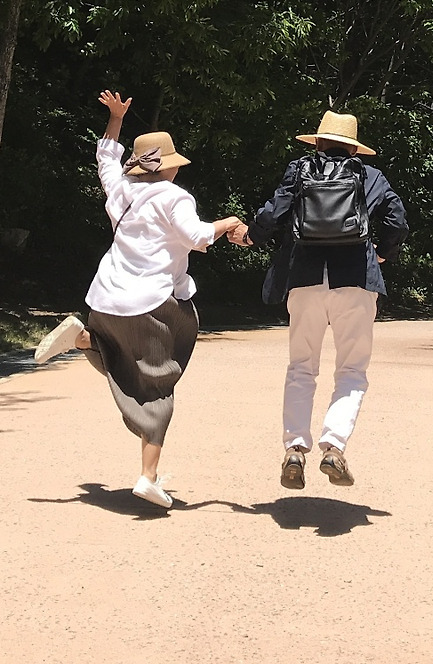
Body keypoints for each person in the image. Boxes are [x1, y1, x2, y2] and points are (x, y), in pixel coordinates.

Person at [33, 89, 251, 508]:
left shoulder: (121, 191)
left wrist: (115, 119)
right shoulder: (174, 196)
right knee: (157, 386)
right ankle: (148, 477)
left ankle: (84, 338)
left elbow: (105, 160)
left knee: (119, 360)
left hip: (104, 300)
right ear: (168, 167)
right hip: (150, 305)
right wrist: (229, 222)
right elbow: (197, 236)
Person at [228, 111, 407, 490]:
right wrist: (383, 253)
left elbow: (274, 212)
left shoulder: (299, 170)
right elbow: (397, 221)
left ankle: (295, 448)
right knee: (352, 370)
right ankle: (334, 447)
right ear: (354, 148)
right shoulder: (370, 176)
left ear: (319, 142)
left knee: (301, 367)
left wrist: (251, 236)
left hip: (305, 279)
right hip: (356, 281)